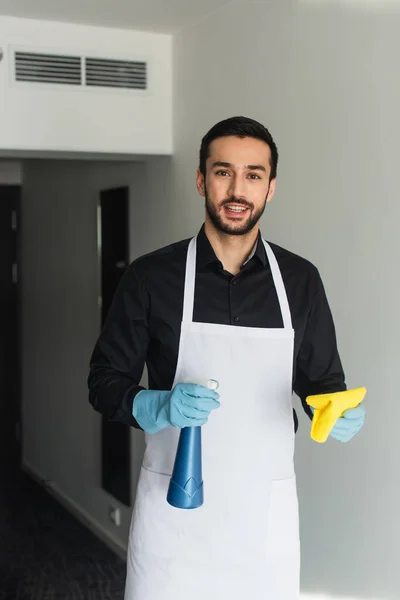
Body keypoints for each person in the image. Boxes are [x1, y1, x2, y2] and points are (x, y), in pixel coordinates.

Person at [87, 116, 366, 599]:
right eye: (223, 172)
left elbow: (323, 382)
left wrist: (335, 408)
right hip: (175, 517)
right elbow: (104, 381)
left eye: (253, 175)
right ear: (201, 179)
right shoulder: (151, 277)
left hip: (264, 522)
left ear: (270, 187)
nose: (238, 189)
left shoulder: (300, 281)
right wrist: (156, 406)